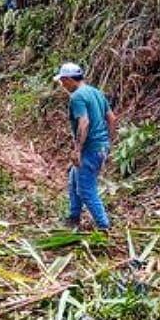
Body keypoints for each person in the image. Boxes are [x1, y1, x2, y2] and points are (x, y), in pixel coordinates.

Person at [55, 62, 116, 232]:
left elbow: (84, 122)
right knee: (74, 179)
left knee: (85, 189)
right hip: (100, 147)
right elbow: (112, 118)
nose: (62, 86)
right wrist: (107, 144)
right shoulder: (96, 92)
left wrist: (77, 151)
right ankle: (73, 217)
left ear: (68, 79)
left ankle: (104, 226)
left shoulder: (77, 97)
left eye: (62, 81)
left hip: (89, 149)